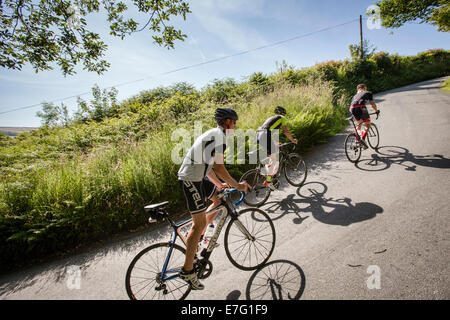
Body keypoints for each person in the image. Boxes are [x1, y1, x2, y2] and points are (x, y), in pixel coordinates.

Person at [177, 107, 250, 290]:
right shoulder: (219, 137)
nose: (235, 125)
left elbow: (209, 168)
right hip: (190, 179)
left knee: (218, 200)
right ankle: (187, 270)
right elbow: (219, 167)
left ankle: (195, 239)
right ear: (226, 122)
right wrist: (238, 185)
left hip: (198, 177)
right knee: (199, 223)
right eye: (234, 122)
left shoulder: (215, 135)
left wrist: (219, 185)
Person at [257, 106, 298, 190]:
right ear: (283, 114)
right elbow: (286, 131)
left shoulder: (271, 118)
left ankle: (266, 172)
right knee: (274, 159)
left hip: (259, 135)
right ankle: (268, 181)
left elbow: (267, 130)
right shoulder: (282, 118)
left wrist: (275, 142)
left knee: (271, 158)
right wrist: (293, 140)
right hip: (265, 135)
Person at [349, 84, 380, 149]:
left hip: (352, 109)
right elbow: (372, 103)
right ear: (364, 88)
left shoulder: (354, 96)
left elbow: (352, 105)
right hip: (360, 107)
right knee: (367, 124)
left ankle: (357, 140)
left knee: (359, 124)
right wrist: (376, 111)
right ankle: (362, 139)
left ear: (358, 89)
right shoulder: (368, 93)